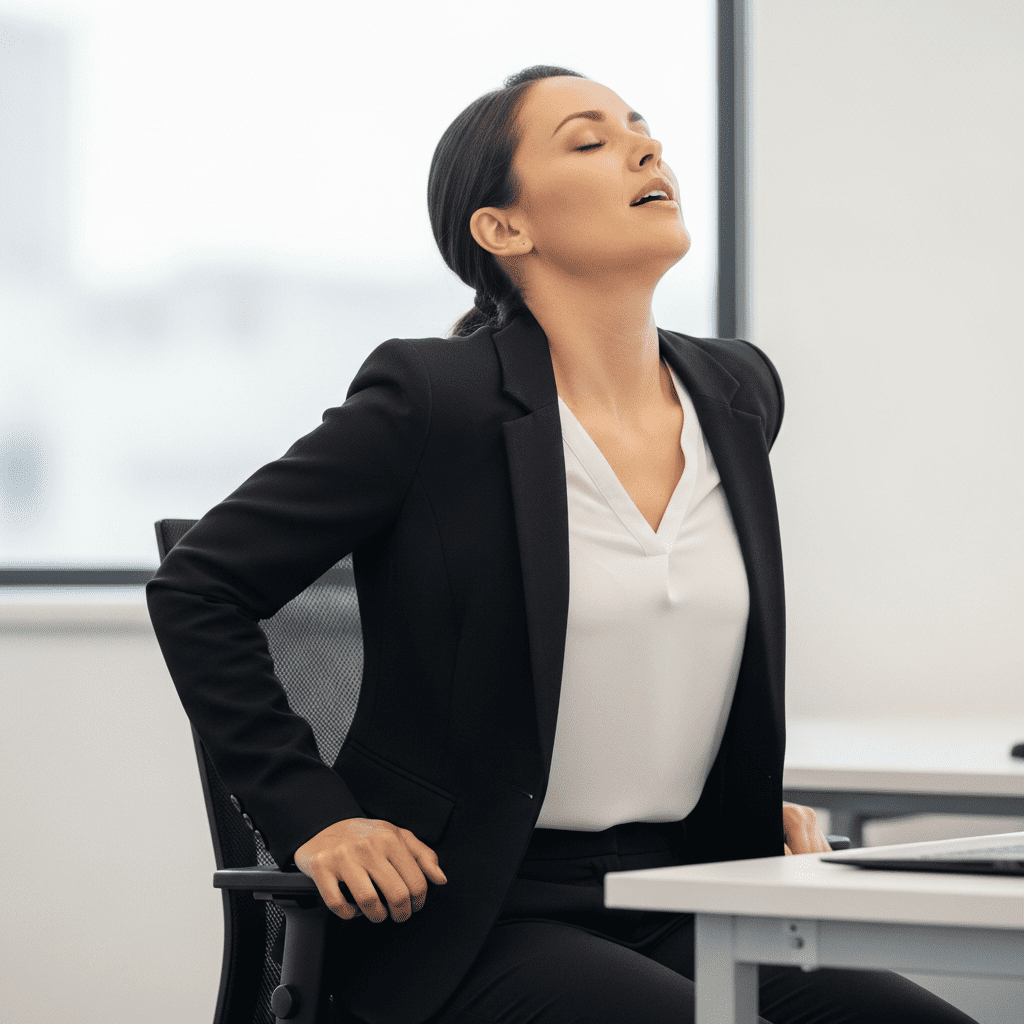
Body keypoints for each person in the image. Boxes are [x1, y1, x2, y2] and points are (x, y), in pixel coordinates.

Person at [146, 65, 979, 1024]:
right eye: (589, 140)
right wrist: (314, 817)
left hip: (690, 890)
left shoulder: (740, 394)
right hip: (471, 913)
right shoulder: (432, 402)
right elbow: (199, 587)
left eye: (641, 128)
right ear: (504, 229)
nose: (644, 146)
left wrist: (748, 809)